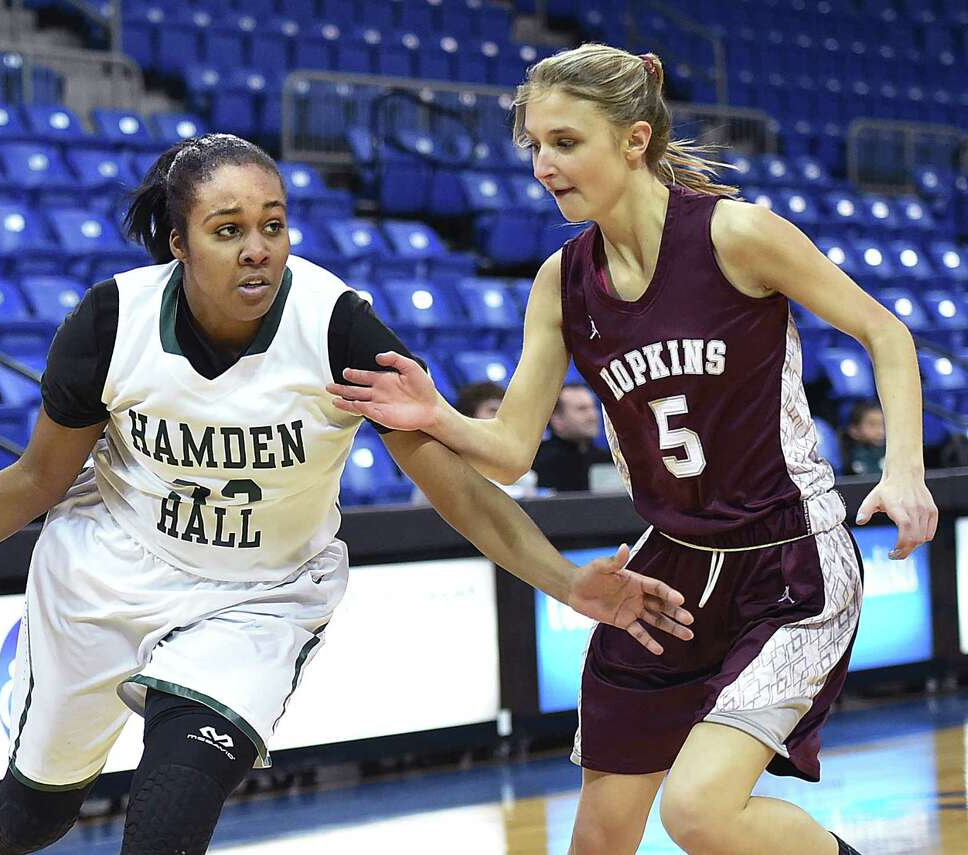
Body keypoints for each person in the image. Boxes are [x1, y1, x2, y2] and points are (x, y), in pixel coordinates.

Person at [0, 134, 693, 855]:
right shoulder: (109, 324)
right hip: (108, 569)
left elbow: (457, 490)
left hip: (261, 592)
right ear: (178, 242)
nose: (258, 248)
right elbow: (35, 480)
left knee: (173, 806)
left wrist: (568, 581)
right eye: (229, 228)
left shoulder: (336, 327)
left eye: (274, 225)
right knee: (33, 811)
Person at [328, 44, 938, 855]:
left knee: (698, 811)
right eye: (534, 146)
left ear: (634, 139)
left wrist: (904, 472)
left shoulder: (735, 232)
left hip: (789, 560)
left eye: (565, 142)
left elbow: (885, 332)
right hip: (669, 572)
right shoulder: (562, 279)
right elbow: (510, 450)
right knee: (600, 838)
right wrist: (436, 412)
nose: (544, 165)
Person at [531, 382, 610, 491]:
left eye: (593, 407)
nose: (593, 416)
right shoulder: (534, 465)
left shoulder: (608, 460)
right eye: (582, 409)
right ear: (556, 419)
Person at [842, 399, 886, 476]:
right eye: (872, 425)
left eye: (883, 424)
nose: (880, 431)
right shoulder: (851, 457)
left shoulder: (892, 452)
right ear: (854, 430)